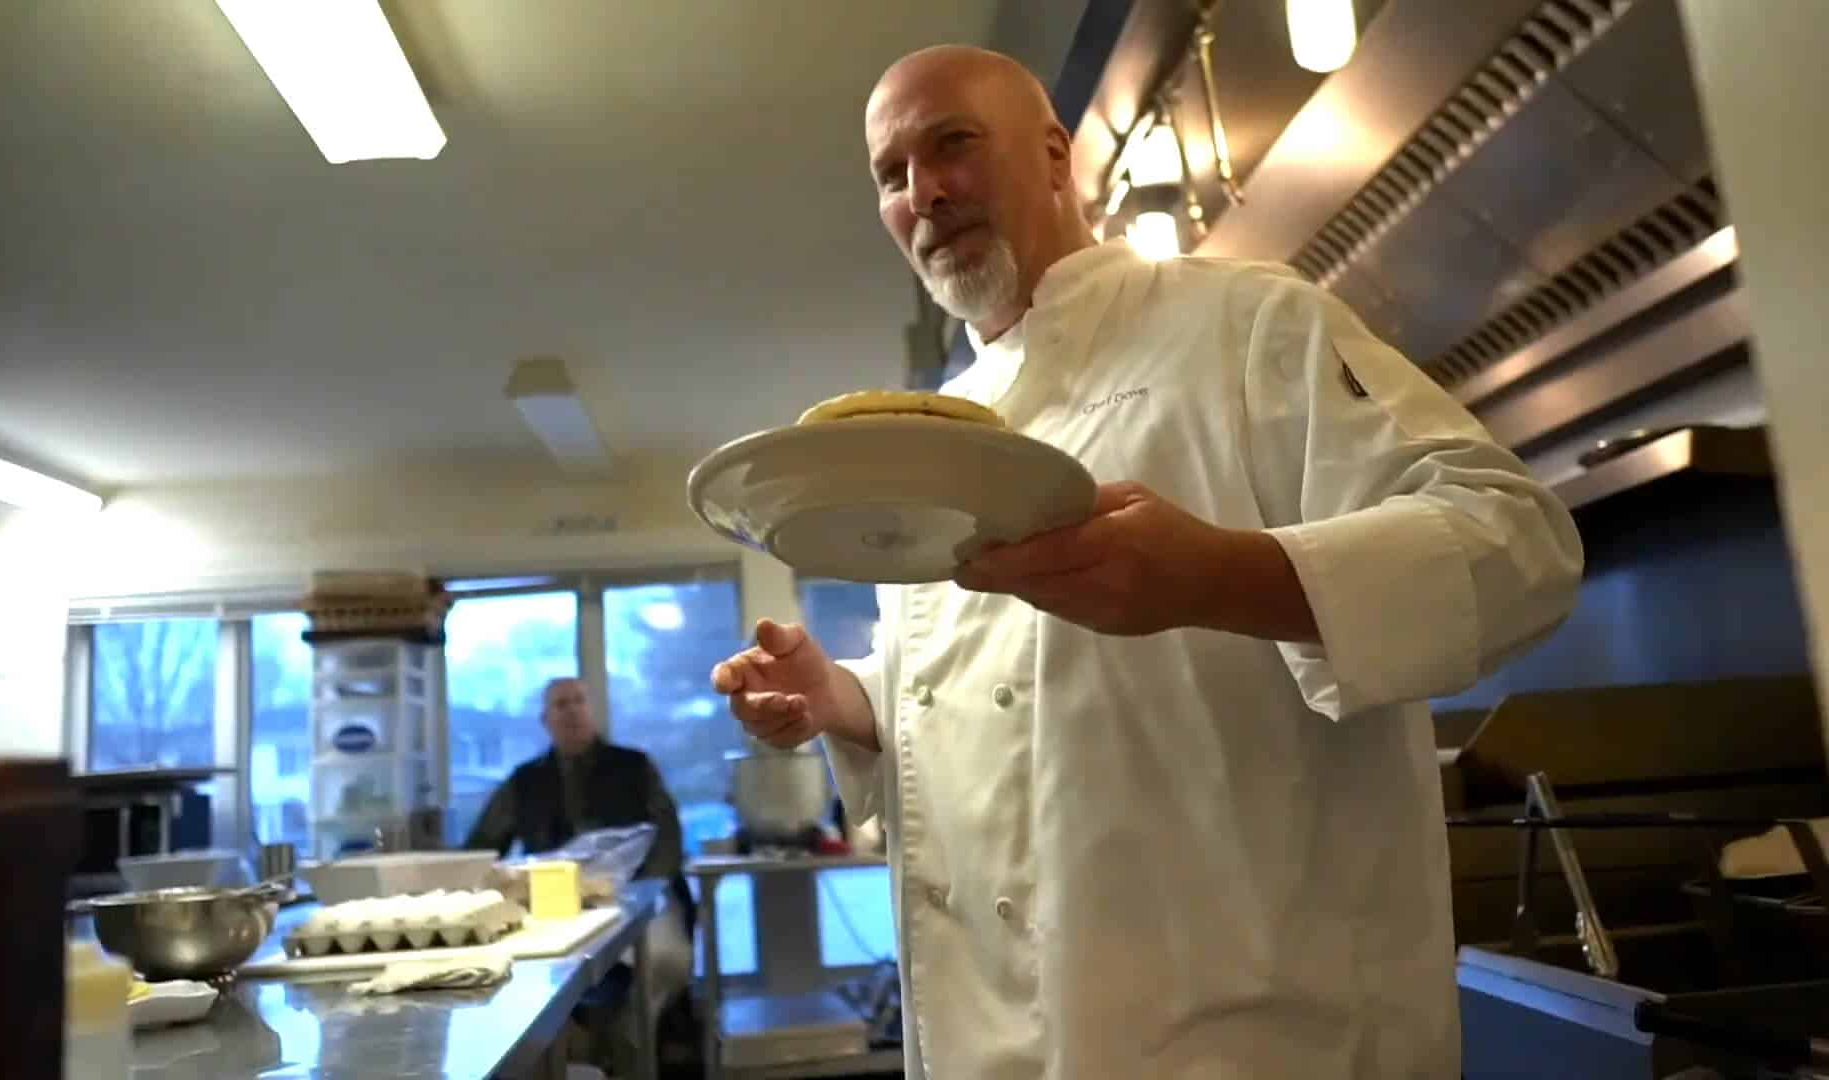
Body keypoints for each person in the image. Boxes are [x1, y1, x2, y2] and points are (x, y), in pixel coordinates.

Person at [709, 45, 1584, 1079]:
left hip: (1263, 1043)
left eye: (952, 146)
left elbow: (1518, 543)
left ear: (1051, 158)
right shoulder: (934, 439)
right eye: (891, 177)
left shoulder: (1244, 324)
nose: (925, 193)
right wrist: (848, 701)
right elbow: (1003, 705)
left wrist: (1215, 577)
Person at [464, 676, 695, 1071]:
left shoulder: (634, 767)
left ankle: (627, 1049)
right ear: (545, 719)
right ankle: (574, 1051)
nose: (571, 710)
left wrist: (639, 889)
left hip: (640, 899)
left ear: (591, 710)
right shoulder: (524, 782)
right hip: (554, 908)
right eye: (561, 704)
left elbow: (667, 838)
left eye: (578, 701)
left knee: (661, 961)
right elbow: (483, 846)